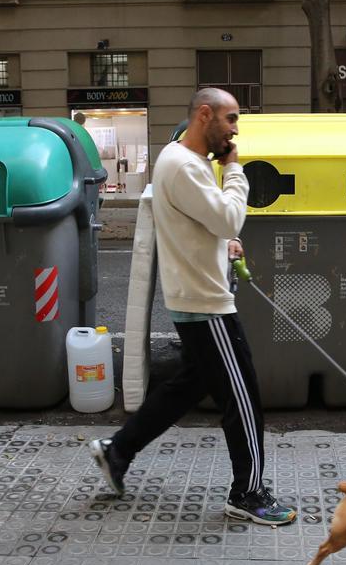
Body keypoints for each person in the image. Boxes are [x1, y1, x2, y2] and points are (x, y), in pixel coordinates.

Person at [89, 87, 297, 526]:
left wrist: (223, 246)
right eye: (231, 119)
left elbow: (202, 227)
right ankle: (249, 494)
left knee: (184, 388)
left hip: (196, 295)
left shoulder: (186, 163)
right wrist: (236, 172)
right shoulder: (185, 165)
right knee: (243, 399)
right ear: (205, 116)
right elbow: (227, 216)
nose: (235, 131)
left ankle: (118, 451)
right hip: (206, 304)